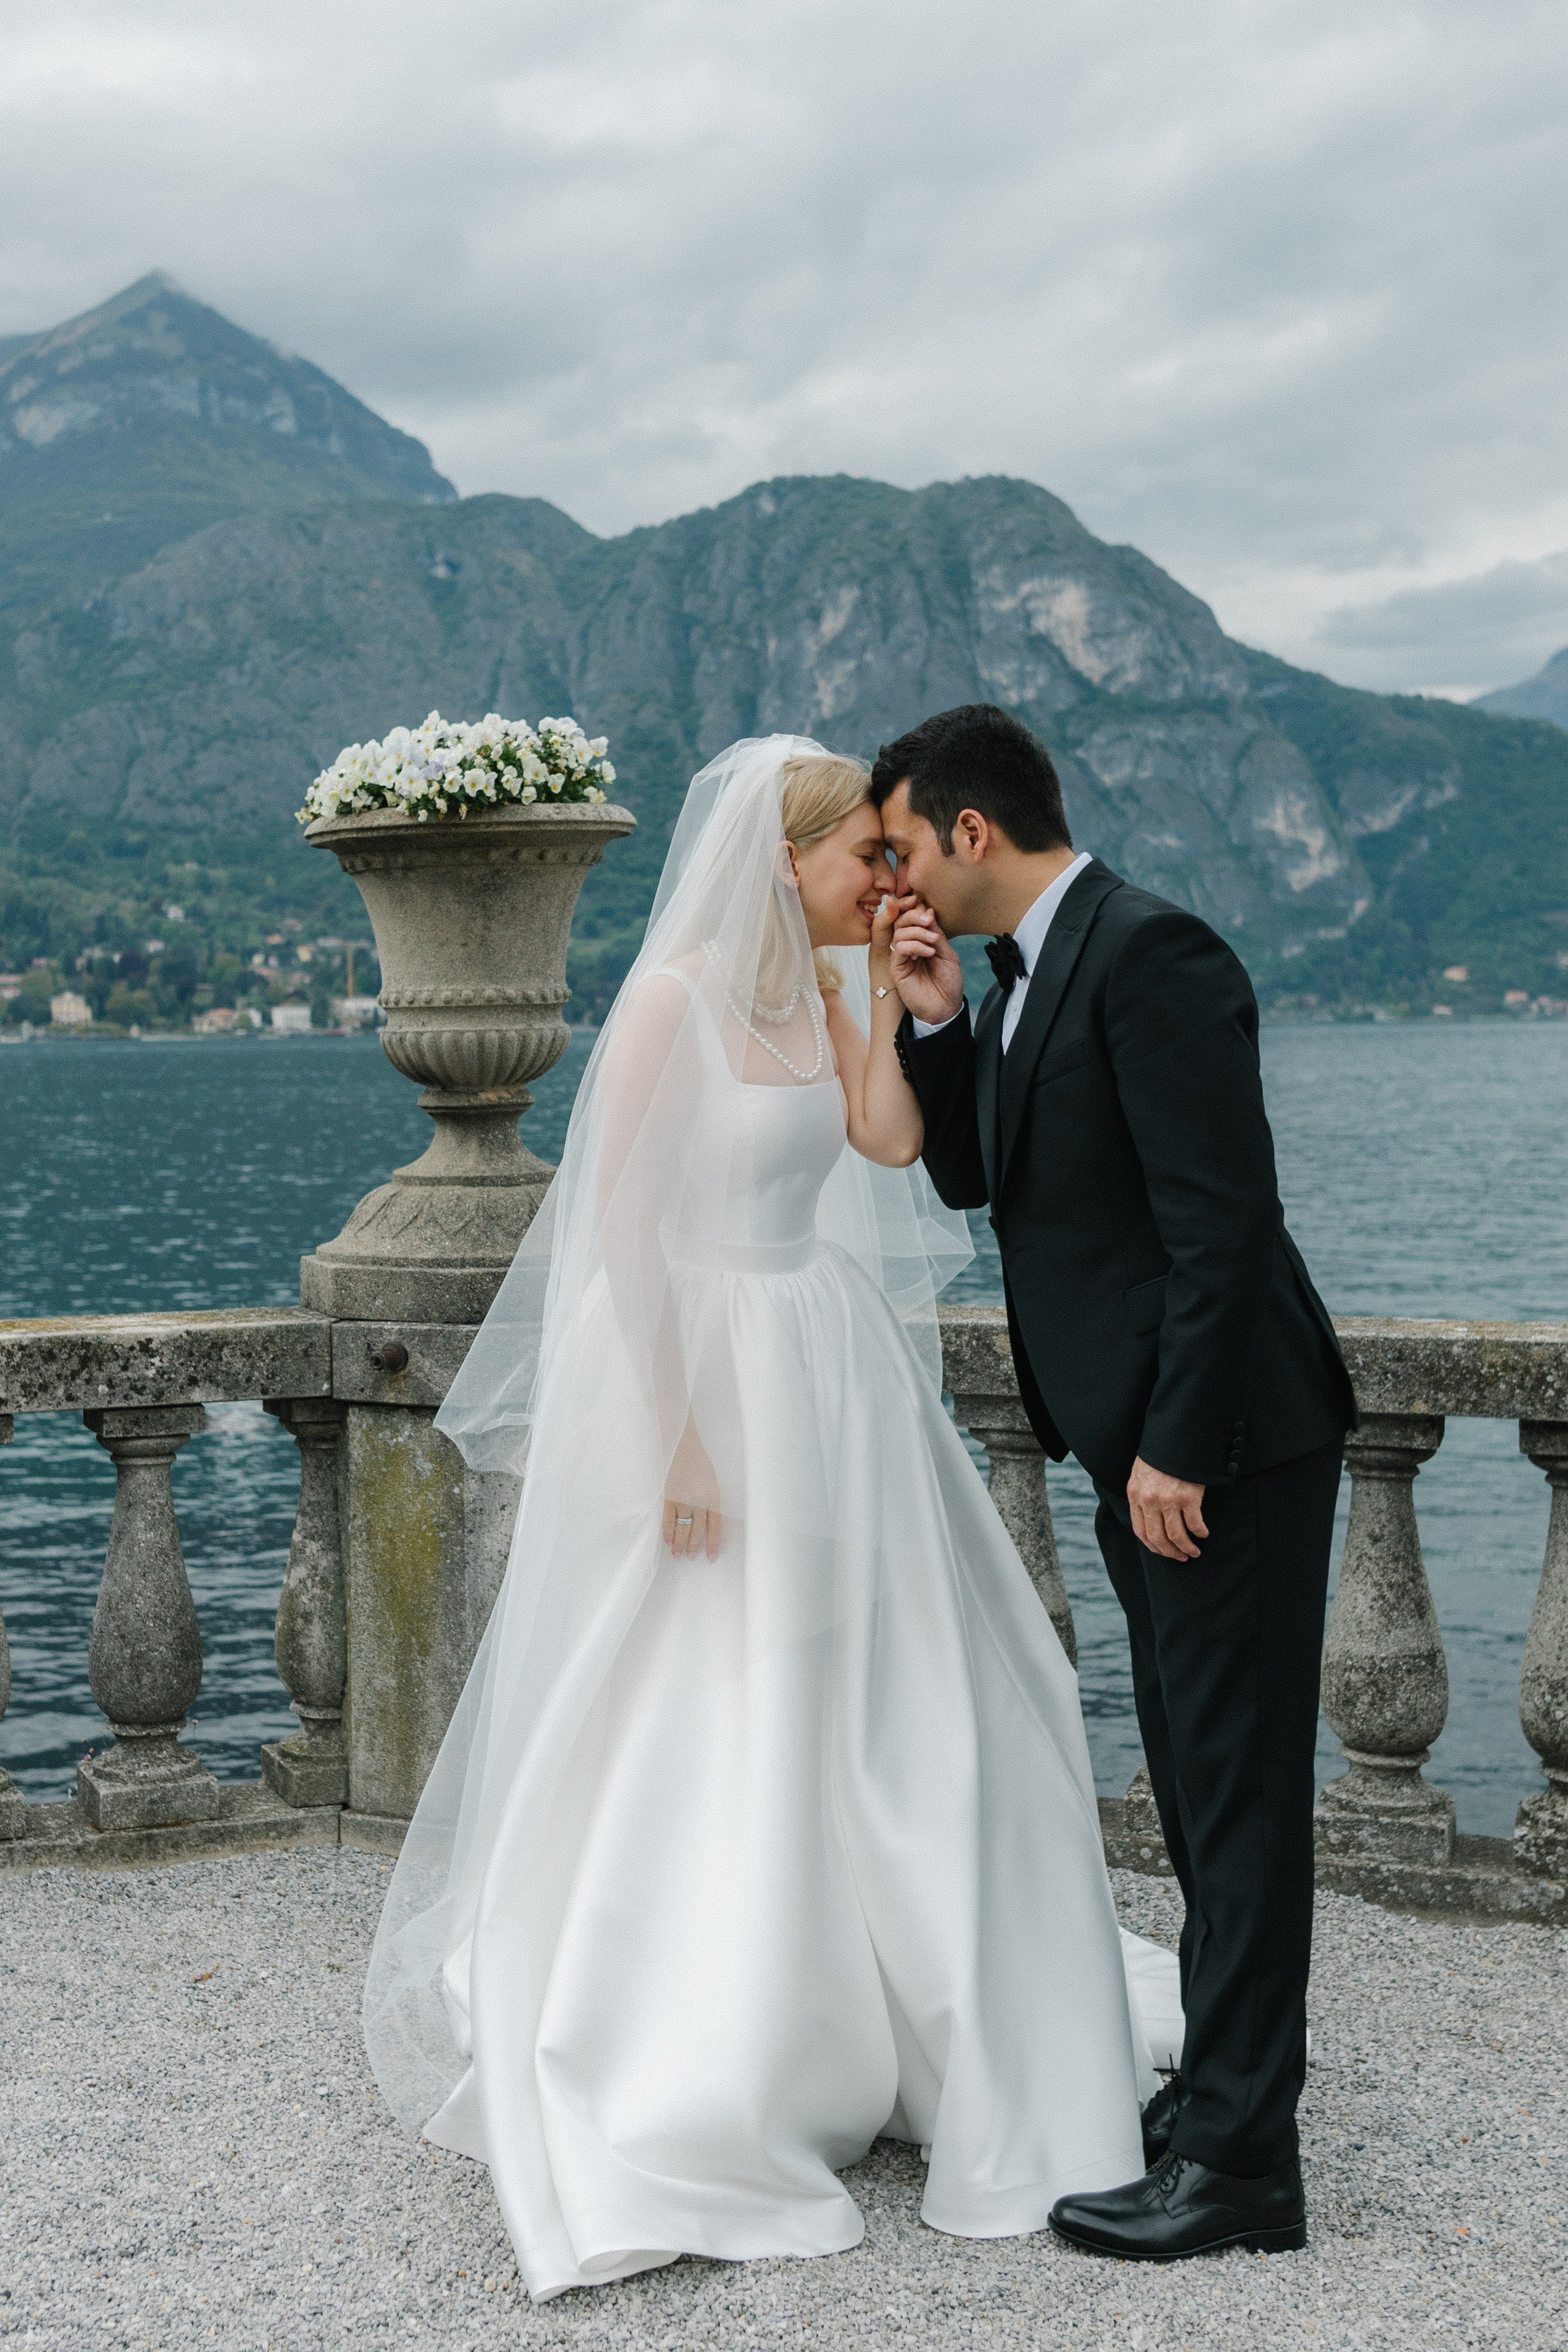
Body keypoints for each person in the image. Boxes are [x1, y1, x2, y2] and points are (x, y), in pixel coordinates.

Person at [364, 736, 1183, 2302]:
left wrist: (887, 993)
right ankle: (716, 2021)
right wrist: (674, 1438)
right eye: (859, 862)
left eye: (891, 861)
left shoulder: (817, 992)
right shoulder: (672, 1005)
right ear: (781, 859)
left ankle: (888, 1991)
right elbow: (623, 1233)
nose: (884, 881)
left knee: (872, 1685)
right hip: (710, 1367)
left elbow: (883, 1145)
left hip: (830, 1366)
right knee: (711, 1684)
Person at [880, 702, 1357, 2263]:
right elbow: (978, 1182)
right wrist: (938, 1025)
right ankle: (1220, 2103)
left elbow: (1223, 1224)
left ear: (969, 832)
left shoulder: (1153, 954)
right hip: (1137, 1447)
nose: (889, 877)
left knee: (1235, 1800)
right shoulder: (1016, 981)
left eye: (898, 847)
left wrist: (1172, 1443)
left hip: (1216, 1451)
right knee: (1193, 1785)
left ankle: (1240, 2173)